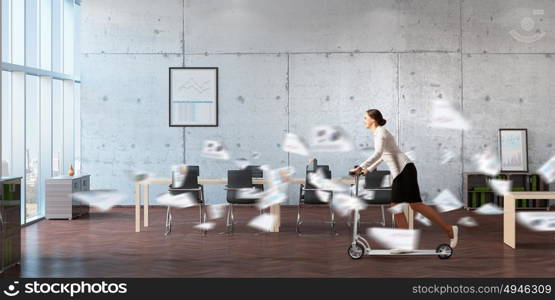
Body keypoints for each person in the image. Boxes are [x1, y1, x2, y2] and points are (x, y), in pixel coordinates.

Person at [350, 109, 458, 249]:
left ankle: (449, 229)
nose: (364, 120)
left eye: (365, 118)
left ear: (373, 120)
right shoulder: (379, 133)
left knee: (414, 204)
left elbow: (378, 153)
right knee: (398, 206)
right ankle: (406, 242)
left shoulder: (381, 132)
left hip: (404, 170)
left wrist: (360, 167)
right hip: (402, 171)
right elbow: (383, 155)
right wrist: (368, 170)